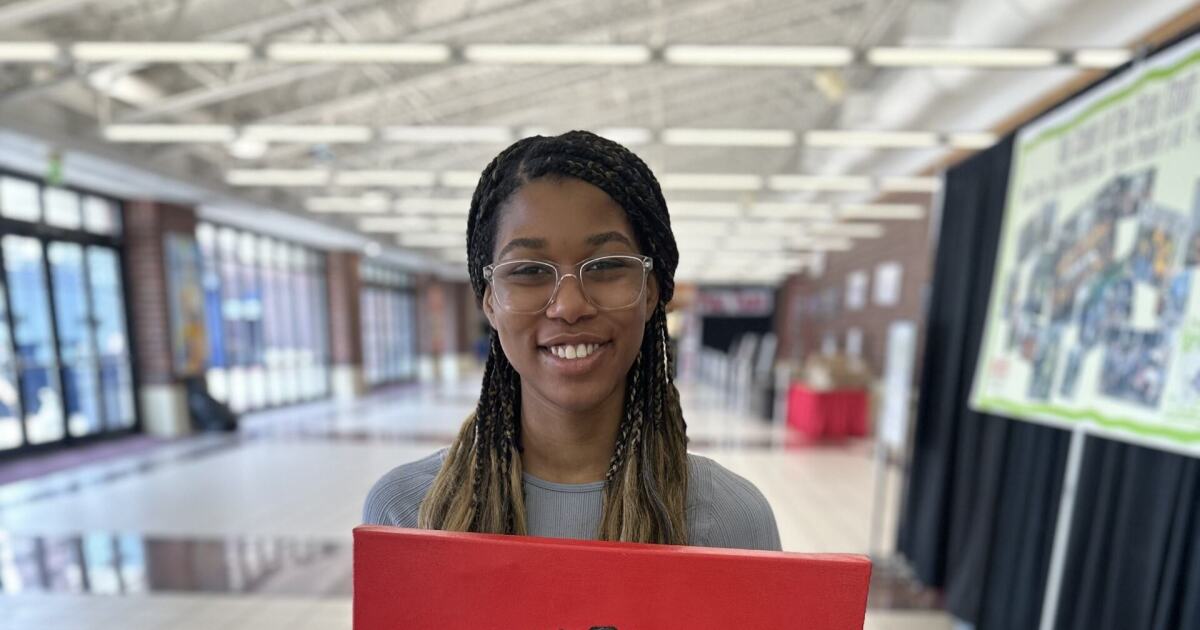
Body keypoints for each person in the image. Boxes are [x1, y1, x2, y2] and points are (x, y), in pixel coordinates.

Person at [363, 130, 780, 550]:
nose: (568, 305)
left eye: (606, 265)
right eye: (528, 270)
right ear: (489, 301)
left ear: (651, 291)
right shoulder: (408, 515)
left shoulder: (731, 523)